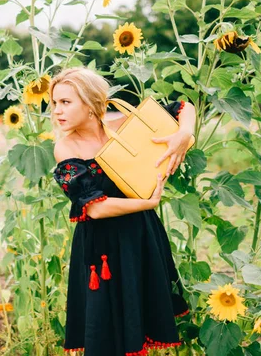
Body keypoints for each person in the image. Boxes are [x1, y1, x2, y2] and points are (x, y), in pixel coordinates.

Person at [50, 67, 196, 356]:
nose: (56, 111)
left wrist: (184, 133)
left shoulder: (125, 125)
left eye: (65, 102)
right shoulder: (66, 148)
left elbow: (184, 107)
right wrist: (148, 203)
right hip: (101, 249)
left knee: (139, 316)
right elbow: (95, 209)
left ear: (91, 104)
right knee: (107, 331)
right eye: (54, 103)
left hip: (141, 235)